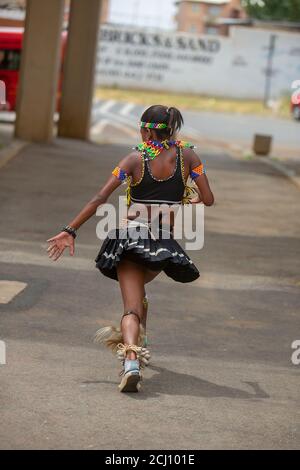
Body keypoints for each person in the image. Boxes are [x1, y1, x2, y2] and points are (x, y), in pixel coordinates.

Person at [47, 105, 214, 393]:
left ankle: (132, 361)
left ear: (148, 131)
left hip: (129, 237)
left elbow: (101, 196)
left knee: (132, 308)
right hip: (162, 244)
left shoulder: (135, 159)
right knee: (140, 294)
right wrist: (186, 197)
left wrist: (70, 230)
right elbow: (208, 199)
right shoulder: (189, 156)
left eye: (142, 129)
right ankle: (140, 341)